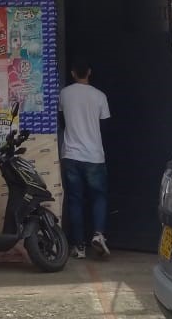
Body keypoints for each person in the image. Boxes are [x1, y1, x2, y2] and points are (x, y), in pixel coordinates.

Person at [58, 57, 110, 259]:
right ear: (89, 72)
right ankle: (98, 234)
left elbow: (62, 120)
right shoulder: (100, 96)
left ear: (72, 73)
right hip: (94, 156)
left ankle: (78, 246)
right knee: (98, 197)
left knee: (75, 200)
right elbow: (105, 126)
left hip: (71, 155)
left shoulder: (64, 94)